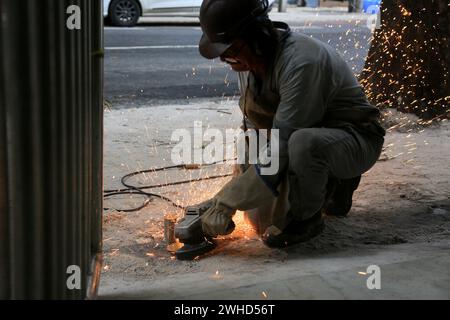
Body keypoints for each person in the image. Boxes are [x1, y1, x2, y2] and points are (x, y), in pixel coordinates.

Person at [196, 0, 385, 247]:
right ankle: (330, 186)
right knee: (259, 222)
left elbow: (281, 147)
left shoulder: (301, 62)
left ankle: (307, 220)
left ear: (256, 36)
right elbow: (253, 133)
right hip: (304, 131)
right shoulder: (248, 61)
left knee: (303, 144)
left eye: (230, 50)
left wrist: (228, 202)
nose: (225, 58)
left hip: (354, 138)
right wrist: (224, 198)